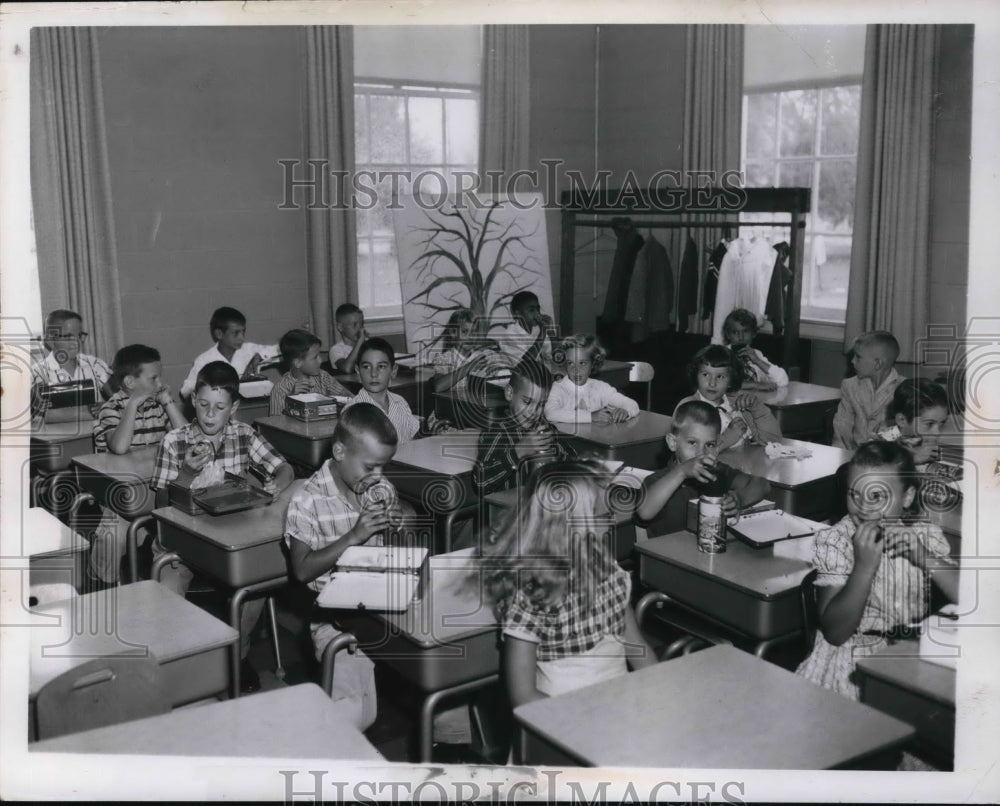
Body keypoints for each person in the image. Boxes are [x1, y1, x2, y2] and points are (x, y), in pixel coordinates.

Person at [150, 361, 294, 692]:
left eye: (219, 407)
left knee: (257, 577)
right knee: (168, 586)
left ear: (234, 408)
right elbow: (161, 508)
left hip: (231, 539)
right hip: (183, 544)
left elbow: (283, 468)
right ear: (192, 402)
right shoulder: (174, 441)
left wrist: (276, 487)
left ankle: (237, 656)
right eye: (202, 405)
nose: (209, 415)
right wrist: (186, 473)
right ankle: (181, 665)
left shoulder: (244, 434)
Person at [480, 459, 657, 708]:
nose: (612, 522)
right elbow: (523, 696)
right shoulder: (533, 597)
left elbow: (637, 648)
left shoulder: (610, 576)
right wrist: (583, 720)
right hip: (555, 724)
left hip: (618, 711)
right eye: (603, 516)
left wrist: (661, 689)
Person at [797, 440, 958, 701]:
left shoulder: (924, 535)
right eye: (854, 494)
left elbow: (973, 599)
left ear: (907, 497)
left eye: (877, 496)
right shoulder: (836, 540)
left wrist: (924, 557)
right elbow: (835, 633)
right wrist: (863, 567)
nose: (863, 506)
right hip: (849, 663)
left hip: (910, 655)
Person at [285, 403, 405, 729]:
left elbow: (396, 547)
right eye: (370, 467)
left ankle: (451, 746)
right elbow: (302, 570)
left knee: (441, 658)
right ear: (339, 451)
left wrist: (396, 525)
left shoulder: (375, 486)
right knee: (354, 713)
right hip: (336, 622)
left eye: (383, 467)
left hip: (381, 608)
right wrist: (354, 535)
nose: (378, 477)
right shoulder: (307, 499)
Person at [89, 344, 187, 586]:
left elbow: (187, 439)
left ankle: (161, 584)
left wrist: (168, 404)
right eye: (154, 378)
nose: (160, 383)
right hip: (121, 497)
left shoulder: (157, 408)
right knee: (115, 537)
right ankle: (102, 582)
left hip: (157, 491)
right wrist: (132, 405)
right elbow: (120, 447)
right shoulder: (110, 409)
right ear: (131, 383)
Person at [635, 400, 770, 537]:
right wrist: (681, 472)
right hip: (665, 556)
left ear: (717, 447)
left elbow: (762, 484)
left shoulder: (716, 472)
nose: (701, 453)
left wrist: (739, 499)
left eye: (710, 445)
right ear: (673, 443)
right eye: (692, 443)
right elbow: (644, 512)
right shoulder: (657, 480)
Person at [472, 357, 566, 496]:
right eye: (527, 402)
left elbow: (568, 460)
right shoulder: (497, 433)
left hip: (536, 509)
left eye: (540, 405)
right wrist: (518, 452)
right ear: (509, 393)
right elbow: (480, 483)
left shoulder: (545, 428)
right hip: (505, 514)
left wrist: (555, 451)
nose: (534, 411)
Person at [673, 345, 782, 452]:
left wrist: (756, 408)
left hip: (742, 466)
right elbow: (689, 453)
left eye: (720, 376)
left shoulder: (737, 404)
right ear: (696, 376)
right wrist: (727, 438)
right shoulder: (689, 406)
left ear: (730, 381)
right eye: (705, 374)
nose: (712, 383)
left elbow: (772, 442)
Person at [180, 306, 278, 398]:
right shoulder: (204, 360)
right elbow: (186, 391)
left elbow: (282, 349)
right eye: (236, 333)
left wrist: (259, 356)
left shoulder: (249, 350)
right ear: (219, 334)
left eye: (243, 332)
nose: (242, 338)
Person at [832, 331, 905, 451]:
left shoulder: (903, 389)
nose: (852, 361)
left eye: (858, 357)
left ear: (878, 364)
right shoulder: (850, 386)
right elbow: (841, 427)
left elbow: (906, 432)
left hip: (887, 458)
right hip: (853, 456)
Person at [544, 334, 639, 424]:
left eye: (582, 363)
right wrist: (590, 416)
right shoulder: (559, 387)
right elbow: (550, 413)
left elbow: (632, 404)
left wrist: (625, 411)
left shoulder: (600, 387)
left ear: (593, 364)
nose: (576, 370)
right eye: (570, 363)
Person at [343, 338, 421, 443]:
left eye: (381, 367)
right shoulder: (352, 411)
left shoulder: (400, 402)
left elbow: (413, 439)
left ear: (393, 371)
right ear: (358, 371)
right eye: (366, 367)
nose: (374, 374)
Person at [31, 309, 112, 407]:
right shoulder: (37, 373)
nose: (77, 342)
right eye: (68, 336)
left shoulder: (95, 364)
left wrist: (104, 407)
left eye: (79, 335)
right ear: (50, 340)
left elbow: (117, 399)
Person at [270, 329, 352, 416]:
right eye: (315, 357)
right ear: (298, 363)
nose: (320, 360)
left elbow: (349, 397)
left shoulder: (323, 377)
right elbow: (275, 425)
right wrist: (292, 400)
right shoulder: (280, 390)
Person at [877, 377, 950, 470]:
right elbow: (871, 474)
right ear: (902, 420)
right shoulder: (881, 444)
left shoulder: (924, 439)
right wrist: (913, 459)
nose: (937, 432)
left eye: (942, 423)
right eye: (929, 424)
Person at [431, 308, 505, 394]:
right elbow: (438, 387)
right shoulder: (445, 359)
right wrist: (469, 366)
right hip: (452, 404)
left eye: (474, 332)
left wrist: (495, 372)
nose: (470, 337)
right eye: (464, 331)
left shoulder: (482, 356)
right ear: (453, 333)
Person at [721, 308, 788, 391]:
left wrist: (758, 361)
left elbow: (783, 381)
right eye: (735, 332)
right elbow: (721, 382)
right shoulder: (722, 354)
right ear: (728, 334)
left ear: (754, 333)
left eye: (745, 331)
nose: (741, 337)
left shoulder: (756, 354)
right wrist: (754, 385)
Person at [493, 291, 558, 366]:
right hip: (512, 374)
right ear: (518, 314)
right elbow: (525, 363)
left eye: (538, 309)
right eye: (531, 310)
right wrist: (542, 333)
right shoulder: (510, 335)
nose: (537, 313)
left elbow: (556, 355)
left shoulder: (537, 330)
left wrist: (550, 331)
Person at [328, 303, 367, 375]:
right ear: (340, 327)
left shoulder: (366, 346)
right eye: (354, 325)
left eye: (362, 324)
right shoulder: (336, 350)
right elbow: (347, 369)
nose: (360, 328)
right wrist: (360, 342)